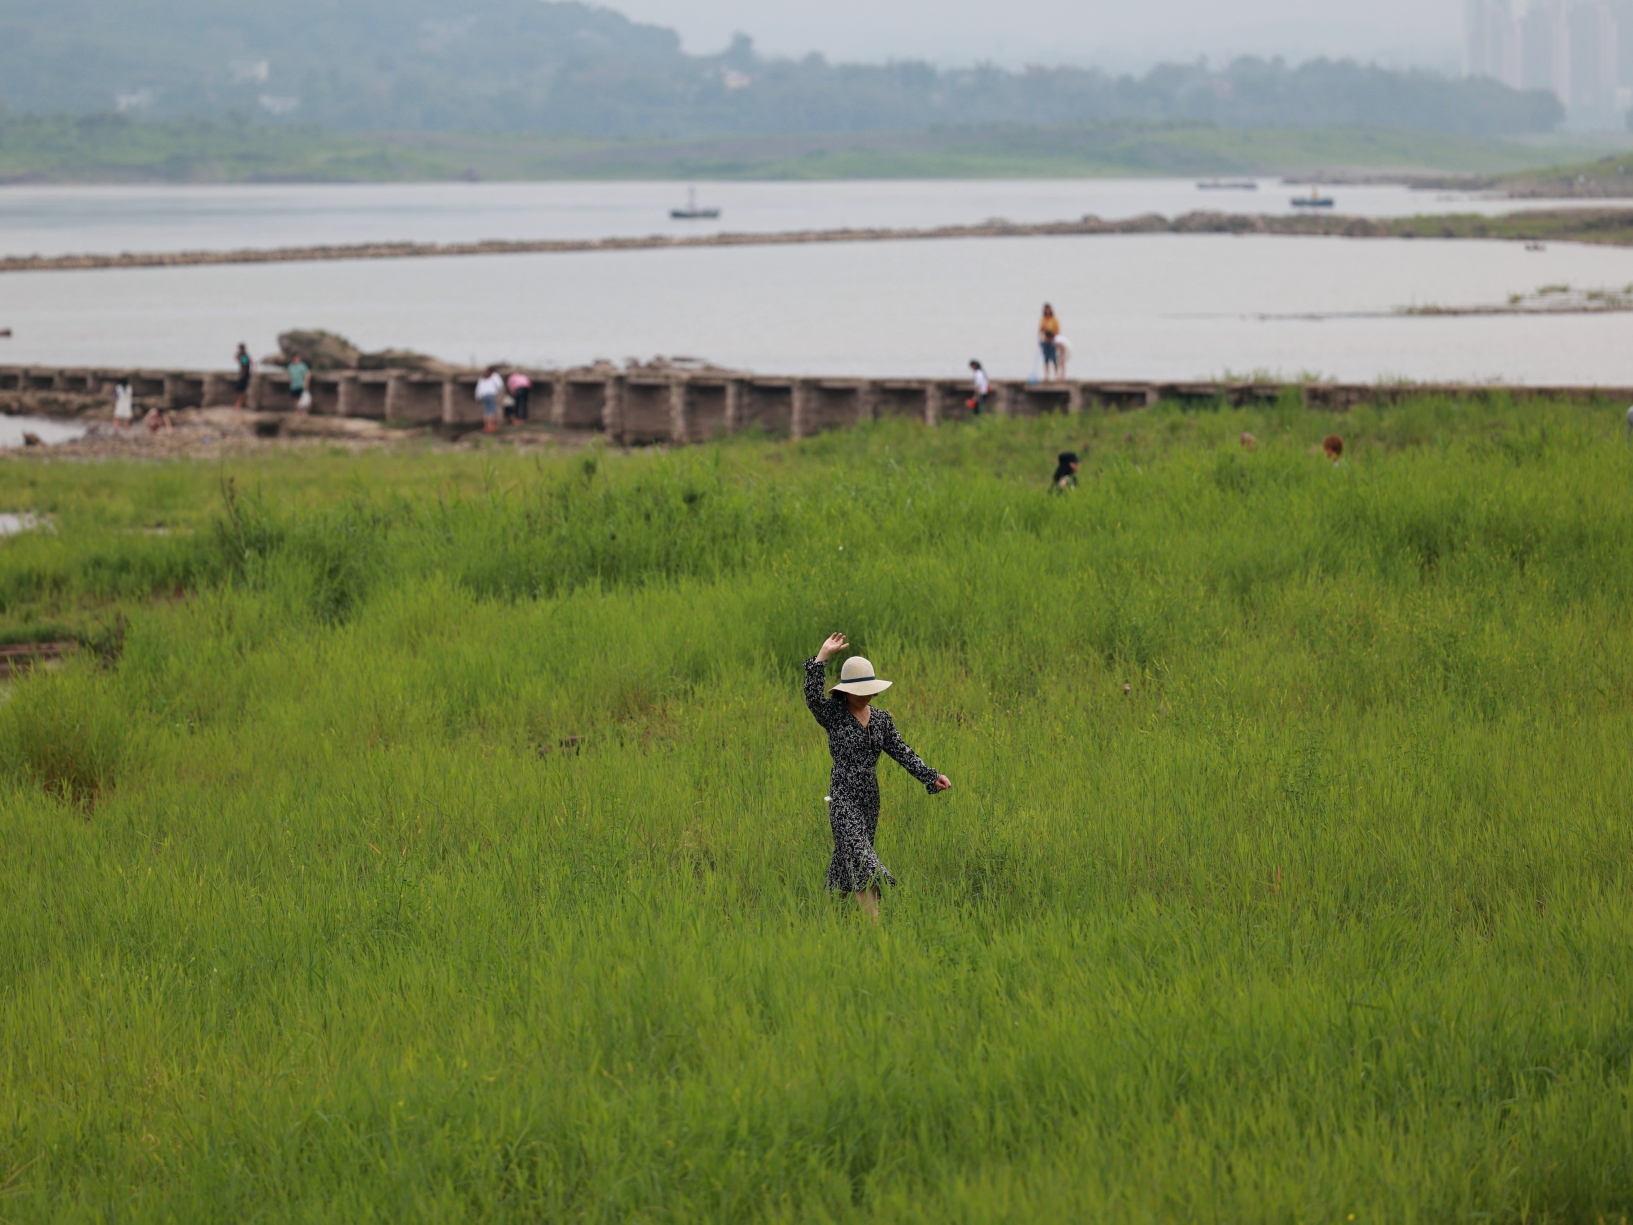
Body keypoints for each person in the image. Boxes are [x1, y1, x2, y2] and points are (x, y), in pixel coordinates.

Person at [804, 633, 951, 921]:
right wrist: (822, 656)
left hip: (870, 799)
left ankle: (828, 922)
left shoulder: (882, 720)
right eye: (859, 690)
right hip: (842, 795)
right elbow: (811, 695)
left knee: (847, 858)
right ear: (845, 691)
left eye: (869, 689)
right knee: (861, 858)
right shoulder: (833, 714)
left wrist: (930, 776)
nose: (867, 694)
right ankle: (876, 927)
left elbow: (902, 752)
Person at [475, 367, 505, 433]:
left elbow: (478, 388)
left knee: (486, 411)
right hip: (491, 394)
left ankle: (486, 426)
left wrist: (477, 397)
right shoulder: (495, 375)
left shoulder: (482, 377)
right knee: (491, 411)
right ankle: (491, 426)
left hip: (483, 395)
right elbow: (500, 385)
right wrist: (501, 395)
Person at [1038, 304, 1061, 381]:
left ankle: (1056, 375)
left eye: (1048, 309)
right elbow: (1040, 330)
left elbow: (1057, 331)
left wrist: (1053, 335)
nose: (1047, 311)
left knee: (1054, 358)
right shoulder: (1043, 319)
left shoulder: (1054, 319)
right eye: (1046, 310)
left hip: (1052, 341)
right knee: (1046, 359)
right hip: (1045, 341)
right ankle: (1046, 376)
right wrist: (1039, 340)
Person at [233, 343, 252, 409]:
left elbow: (245, 366)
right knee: (238, 389)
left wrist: (243, 375)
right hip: (243, 374)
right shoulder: (242, 355)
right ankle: (238, 403)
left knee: (241, 389)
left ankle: (239, 403)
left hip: (244, 375)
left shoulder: (244, 356)